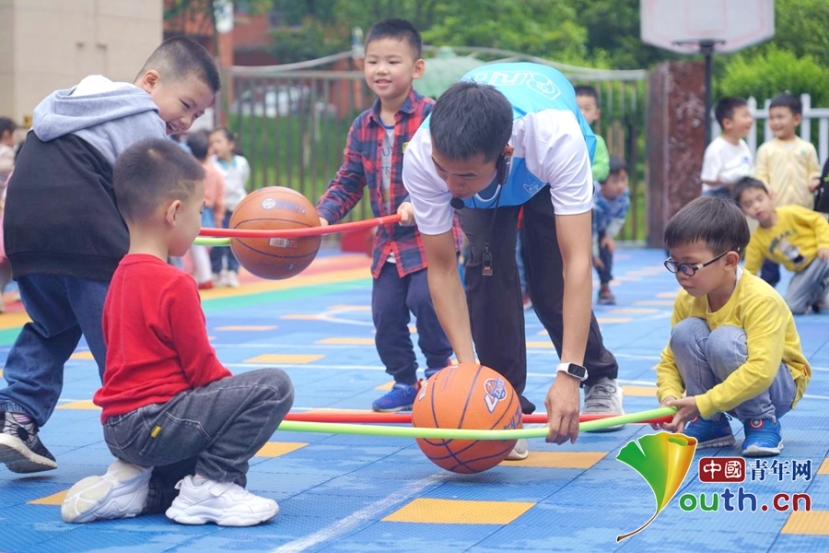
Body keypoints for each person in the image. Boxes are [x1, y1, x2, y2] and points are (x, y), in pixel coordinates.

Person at [0, 36, 219, 474]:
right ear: (151, 82)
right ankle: (148, 437)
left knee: (51, 324)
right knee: (124, 337)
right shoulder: (141, 118)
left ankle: (16, 414)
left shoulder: (64, 108)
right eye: (187, 105)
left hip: (26, 231)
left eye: (197, 114)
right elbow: (156, 207)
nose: (188, 121)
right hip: (86, 232)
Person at [59, 139, 293, 526]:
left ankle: (136, 490)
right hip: (154, 423)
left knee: (183, 474)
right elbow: (203, 372)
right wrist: (235, 405)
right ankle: (211, 487)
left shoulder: (118, 276)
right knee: (273, 386)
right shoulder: (175, 283)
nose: (201, 222)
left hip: (120, 428)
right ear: (174, 212)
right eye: (200, 211)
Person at [402, 63, 625, 458]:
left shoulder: (556, 137)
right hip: (490, 183)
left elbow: (576, 262)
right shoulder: (424, 157)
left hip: (543, 177)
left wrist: (569, 374)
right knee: (487, 280)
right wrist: (468, 376)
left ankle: (599, 376)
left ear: (505, 152)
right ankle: (502, 401)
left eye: (464, 176)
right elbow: (441, 267)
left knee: (550, 282)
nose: (450, 187)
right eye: (443, 171)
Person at [316, 18, 461, 412]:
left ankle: (438, 372)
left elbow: (452, 172)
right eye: (372, 61)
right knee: (385, 314)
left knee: (427, 301)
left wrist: (423, 201)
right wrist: (323, 216)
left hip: (430, 236)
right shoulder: (361, 126)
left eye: (392, 61)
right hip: (388, 244)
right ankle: (403, 380)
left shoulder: (434, 115)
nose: (380, 70)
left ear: (416, 69)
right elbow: (348, 181)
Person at [655, 196, 811, 457]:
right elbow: (671, 360)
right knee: (684, 333)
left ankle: (761, 421)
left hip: (776, 388)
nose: (681, 274)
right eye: (675, 264)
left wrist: (703, 402)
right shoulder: (687, 298)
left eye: (690, 266)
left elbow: (761, 371)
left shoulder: (760, 299)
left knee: (724, 340)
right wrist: (669, 398)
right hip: (724, 387)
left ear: (729, 261)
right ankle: (711, 424)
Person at [753, 93, 822, 288]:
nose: (775, 122)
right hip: (776, 212)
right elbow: (761, 176)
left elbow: (814, 172)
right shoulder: (766, 150)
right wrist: (765, 188)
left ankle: (814, 288)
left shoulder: (806, 148)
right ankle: (767, 290)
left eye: (780, 116)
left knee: (807, 253)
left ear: (797, 119)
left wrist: (813, 181)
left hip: (802, 212)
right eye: (771, 117)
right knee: (771, 256)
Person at [734, 177, 829, 314]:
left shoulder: (790, 212)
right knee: (792, 306)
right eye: (748, 204)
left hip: (822, 257)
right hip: (803, 272)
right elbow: (750, 271)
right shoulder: (756, 241)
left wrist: (824, 244)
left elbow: (818, 221)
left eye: (760, 199)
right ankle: (820, 290)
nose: (756, 206)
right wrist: (742, 294)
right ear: (743, 211)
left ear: (770, 196)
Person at [208, 127, 249, 288]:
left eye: (219, 141)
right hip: (220, 209)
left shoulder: (241, 163)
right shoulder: (211, 164)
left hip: (237, 208)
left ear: (230, 144)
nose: (215, 146)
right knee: (217, 241)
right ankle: (216, 271)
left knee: (236, 242)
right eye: (212, 143)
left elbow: (243, 180)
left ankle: (233, 271)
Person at [186, 130, 225, 290]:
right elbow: (220, 199)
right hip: (208, 212)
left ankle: (204, 277)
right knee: (202, 246)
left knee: (196, 246)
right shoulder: (216, 173)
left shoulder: (191, 172)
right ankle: (203, 275)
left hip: (195, 211)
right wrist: (218, 218)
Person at [592, 155, 630, 305]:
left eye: (623, 179)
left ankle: (604, 287)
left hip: (602, 230)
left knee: (606, 250)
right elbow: (591, 228)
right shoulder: (594, 197)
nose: (621, 185)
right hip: (586, 229)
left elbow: (619, 217)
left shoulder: (624, 195)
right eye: (615, 181)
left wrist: (609, 236)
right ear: (602, 183)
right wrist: (594, 255)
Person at [700, 97, 754, 199]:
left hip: (737, 194)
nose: (750, 120)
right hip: (716, 197)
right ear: (727, 123)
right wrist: (728, 181)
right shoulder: (716, 148)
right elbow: (707, 178)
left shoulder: (743, 145)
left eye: (750, 116)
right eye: (745, 116)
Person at [574, 86, 610, 183]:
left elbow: (603, 169)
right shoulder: (561, 138)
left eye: (587, 109)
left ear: (596, 114)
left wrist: (579, 173)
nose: (582, 113)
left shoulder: (598, 141)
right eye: (577, 108)